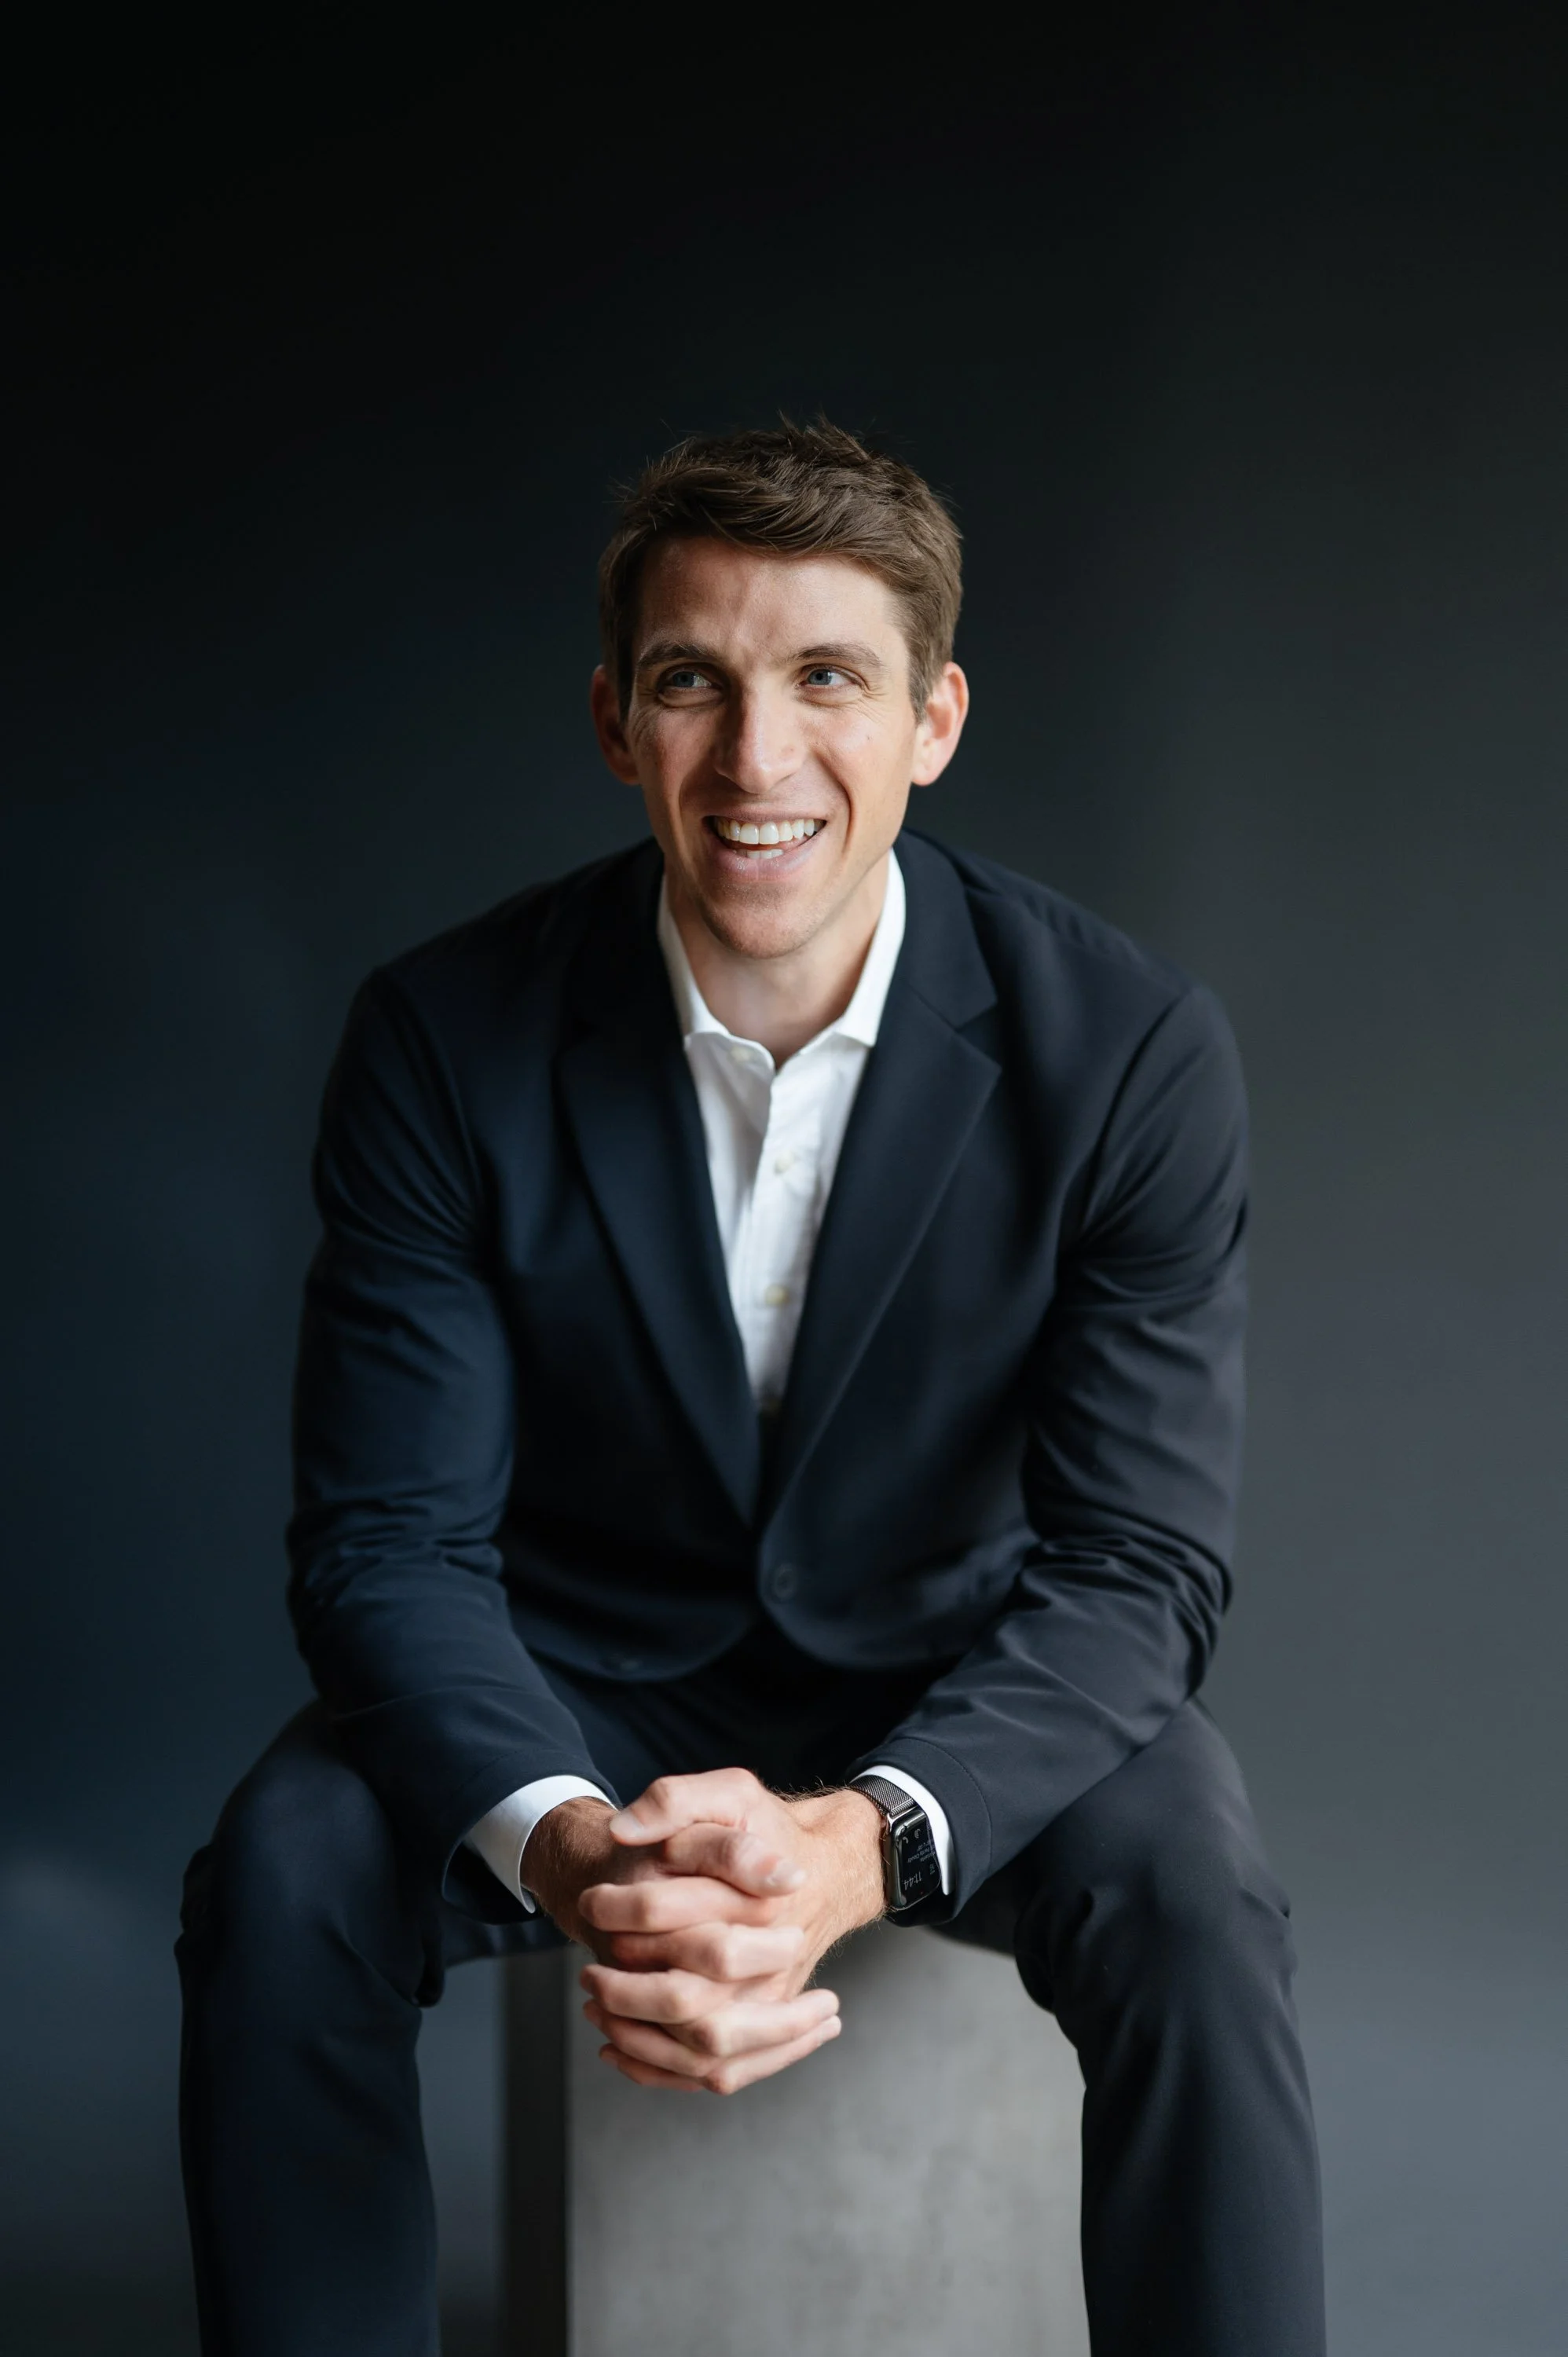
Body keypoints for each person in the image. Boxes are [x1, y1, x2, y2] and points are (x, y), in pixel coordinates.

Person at [177, 420, 1324, 2356]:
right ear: (616, 720)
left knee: (1198, 1895)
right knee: (285, 1865)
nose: (756, 756)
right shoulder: (444, 1037)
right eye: (694, 681)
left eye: (826, 679)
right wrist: (569, 1842)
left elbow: (1138, 1570)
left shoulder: (1128, 1052)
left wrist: (856, 1841)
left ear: (933, 719)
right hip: (581, 1671)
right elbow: (386, 1546)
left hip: (957, 1672)